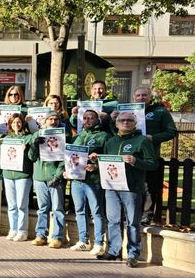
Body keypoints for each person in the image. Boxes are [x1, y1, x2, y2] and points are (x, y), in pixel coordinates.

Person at [94, 111, 158, 267]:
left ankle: (132, 254)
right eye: (122, 120)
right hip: (111, 188)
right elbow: (108, 164)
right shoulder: (111, 142)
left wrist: (136, 161)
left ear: (135, 123)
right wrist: (95, 163)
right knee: (113, 221)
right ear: (116, 124)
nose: (126, 122)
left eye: (130, 120)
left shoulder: (141, 141)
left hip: (131, 188)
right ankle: (114, 252)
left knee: (132, 222)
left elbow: (153, 164)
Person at [110, 87, 176, 226]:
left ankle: (146, 217)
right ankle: (129, 215)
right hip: (129, 157)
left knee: (150, 188)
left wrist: (154, 138)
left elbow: (171, 131)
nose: (141, 98)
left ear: (150, 96)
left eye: (144, 95)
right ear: (134, 97)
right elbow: (116, 132)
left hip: (149, 154)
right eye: (138, 95)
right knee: (129, 187)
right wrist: (112, 119)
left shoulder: (160, 111)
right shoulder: (126, 112)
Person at [65, 109, 108, 254]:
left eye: (91, 118)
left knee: (96, 211)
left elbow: (108, 157)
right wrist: (67, 170)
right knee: (79, 210)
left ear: (97, 120)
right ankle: (83, 240)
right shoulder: (77, 137)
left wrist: (96, 165)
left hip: (93, 180)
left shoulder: (103, 136)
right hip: (77, 180)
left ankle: (98, 243)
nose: (88, 120)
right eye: (85, 118)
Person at [27, 111, 66, 248]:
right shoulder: (37, 135)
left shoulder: (62, 136)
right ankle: (41, 235)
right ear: (44, 121)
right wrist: (34, 145)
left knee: (57, 208)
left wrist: (57, 175)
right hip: (39, 177)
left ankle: (57, 237)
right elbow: (31, 157)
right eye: (51, 119)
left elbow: (64, 159)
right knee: (42, 208)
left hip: (54, 177)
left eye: (56, 119)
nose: (53, 121)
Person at [0, 113, 33, 241]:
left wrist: (27, 148)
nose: (16, 125)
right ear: (10, 125)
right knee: (12, 205)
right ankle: (13, 229)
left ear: (22, 123)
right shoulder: (6, 138)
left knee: (21, 205)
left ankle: (22, 231)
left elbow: (32, 155)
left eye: (18, 122)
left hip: (22, 175)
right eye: (13, 123)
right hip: (8, 175)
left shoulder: (27, 138)